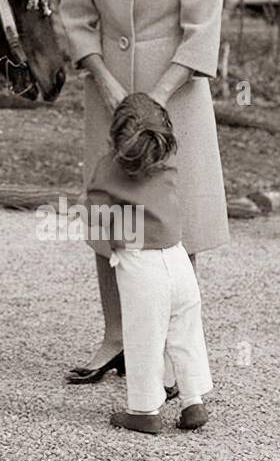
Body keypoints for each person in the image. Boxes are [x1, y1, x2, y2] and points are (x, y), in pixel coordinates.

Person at [58, 0, 228, 384]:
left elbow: (202, 30)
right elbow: (75, 19)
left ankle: (175, 353)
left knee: (173, 223)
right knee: (111, 216)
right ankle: (118, 338)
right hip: (107, 98)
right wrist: (108, 86)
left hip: (176, 101)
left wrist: (155, 98)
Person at [85, 93, 211, 433]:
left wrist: (113, 240)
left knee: (144, 335)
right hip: (177, 257)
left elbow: (96, 212)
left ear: (115, 135)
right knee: (185, 332)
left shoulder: (107, 166)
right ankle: (192, 400)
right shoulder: (167, 163)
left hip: (141, 264)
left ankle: (144, 410)